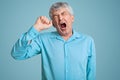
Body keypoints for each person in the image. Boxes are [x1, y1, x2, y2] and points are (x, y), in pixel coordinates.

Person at [11, 2, 96, 80]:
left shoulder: (87, 41)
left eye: (63, 13)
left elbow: (91, 74)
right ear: (53, 24)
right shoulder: (43, 39)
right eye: (55, 16)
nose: (60, 18)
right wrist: (35, 29)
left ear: (72, 18)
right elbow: (17, 54)